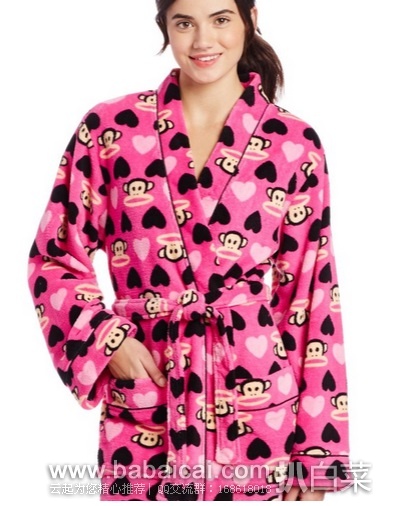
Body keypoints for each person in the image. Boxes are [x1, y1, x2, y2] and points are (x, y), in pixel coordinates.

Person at [27, 0, 350, 501]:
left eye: (221, 19)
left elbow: (312, 294)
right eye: (184, 22)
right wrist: (107, 340)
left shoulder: (293, 142)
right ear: (164, 27)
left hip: (255, 402)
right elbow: (54, 255)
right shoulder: (113, 129)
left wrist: (316, 463)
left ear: (250, 20)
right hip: (150, 393)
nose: (203, 40)